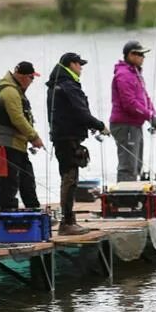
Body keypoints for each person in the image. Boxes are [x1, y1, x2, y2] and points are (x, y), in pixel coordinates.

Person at [46, 52, 107, 235]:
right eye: (79, 64)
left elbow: (73, 113)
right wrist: (100, 125)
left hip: (62, 137)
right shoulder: (68, 85)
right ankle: (67, 223)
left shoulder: (57, 84)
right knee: (70, 179)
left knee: (69, 178)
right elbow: (81, 112)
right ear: (71, 64)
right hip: (67, 138)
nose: (81, 68)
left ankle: (68, 221)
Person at [0, 61, 45, 211]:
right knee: (9, 182)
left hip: (18, 144)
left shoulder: (16, 91)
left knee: (27, 178)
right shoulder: (10, 92)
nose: (32, 81)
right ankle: (7, 212)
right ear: (22, 77)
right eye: (31, 78)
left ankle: (34, 209)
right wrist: (34, 137)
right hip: (7, 145)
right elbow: (18, 119)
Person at [110, 40, 156, 182]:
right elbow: (129, 104)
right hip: (124, 125)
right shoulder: (124, 75)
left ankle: (132, 196)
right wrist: (149, 116)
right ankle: (124, 198)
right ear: (131, 55)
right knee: (128, 166)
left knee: (136, 164)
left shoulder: (135, 74)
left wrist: (153, 114)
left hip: (134, 125)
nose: (143, 58)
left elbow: (145, 97)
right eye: (140, 55)